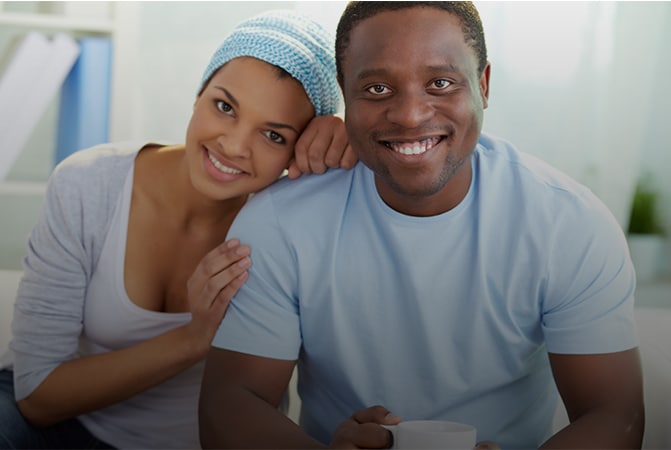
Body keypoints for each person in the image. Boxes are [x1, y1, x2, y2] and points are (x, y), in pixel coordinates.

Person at [199, 2, 645, 449]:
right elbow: (231, 403)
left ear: (483, 85)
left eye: (440, 83)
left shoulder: (567, 225)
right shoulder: (281, 221)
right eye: (376, 88)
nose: (410, 115)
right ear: (345, 93)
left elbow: (613, 415)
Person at [0, 9, 353, 449]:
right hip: (58, 431)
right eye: (224, 107)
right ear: (199, 93)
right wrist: (194, 339)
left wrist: (354, 140)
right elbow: (36, 396)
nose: (233, 145)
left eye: (274, 135)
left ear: (299, 148)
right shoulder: (89, 184)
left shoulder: (294, 220)